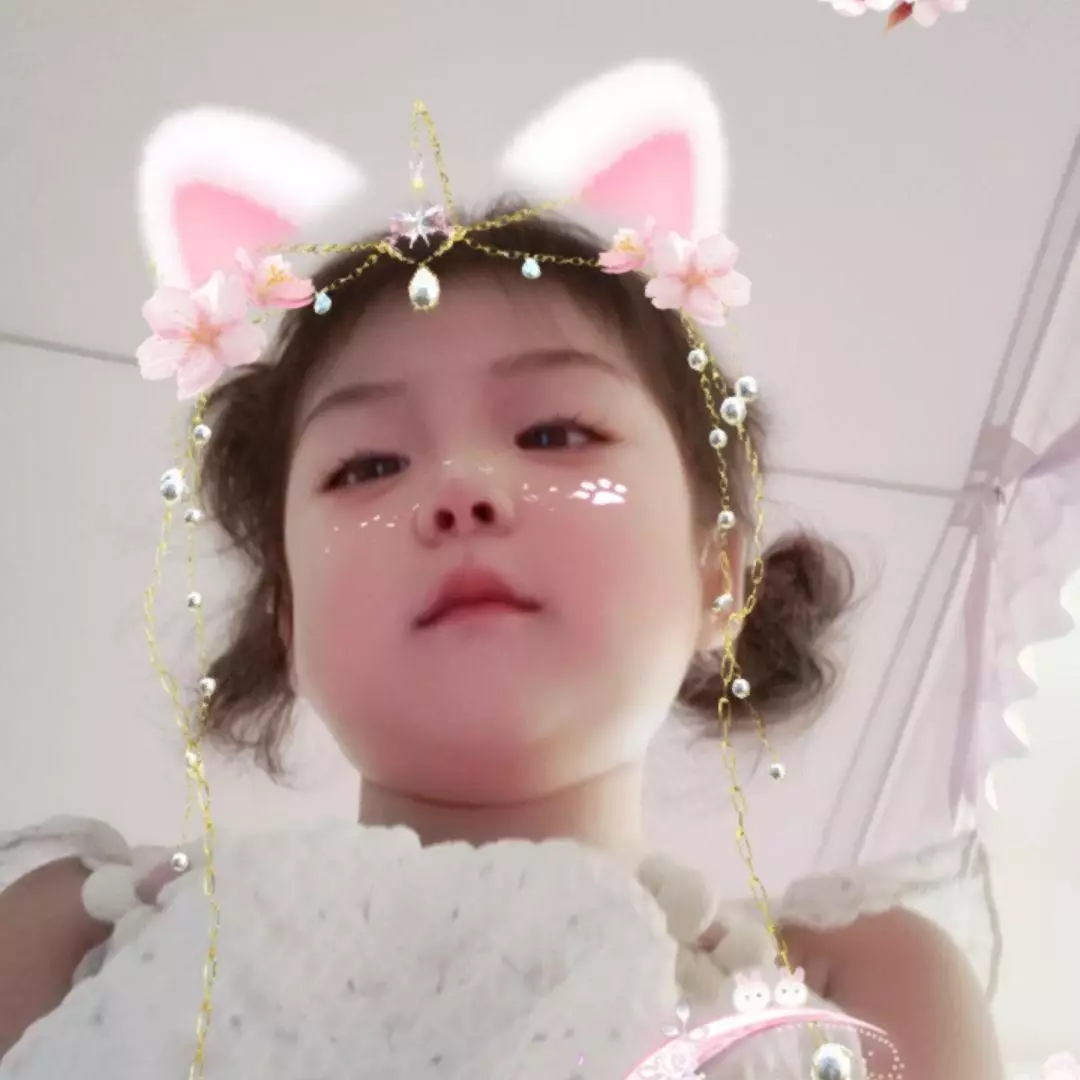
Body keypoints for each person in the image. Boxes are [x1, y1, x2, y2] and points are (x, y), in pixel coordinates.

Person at [0, 77, 1004, 1080]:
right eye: (368, 465)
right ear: (288, 621)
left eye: (556, 434)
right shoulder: (78, 941)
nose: (460, 489)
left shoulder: (859, 986)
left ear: (719, 578)